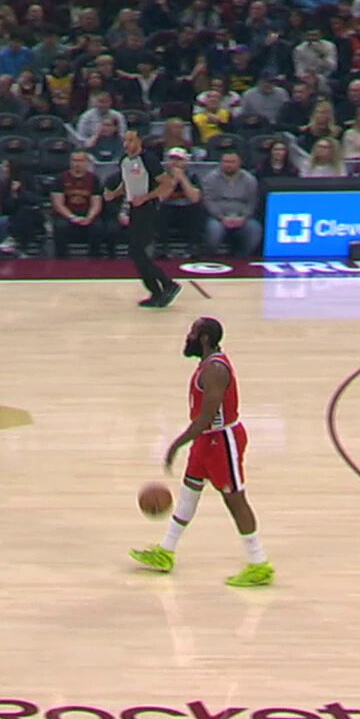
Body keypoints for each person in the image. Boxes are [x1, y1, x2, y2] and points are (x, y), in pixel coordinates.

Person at [131, 316, 272, 587]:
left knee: (235, 500)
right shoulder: (206, 365)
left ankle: (260, 563)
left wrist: (176, 444)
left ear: (205, 338)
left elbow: (206, 418)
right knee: (188, 493)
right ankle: (166, 552)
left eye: (193, 333)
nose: (188, 338)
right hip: (206, 441)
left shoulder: (215, 371)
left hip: (222, 441)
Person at [102, 131, 181, 308]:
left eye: (130, 140)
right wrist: (114, 193)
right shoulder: (124, 160)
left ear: (139, 141)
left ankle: (167, 284)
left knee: (137, 251)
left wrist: (145, 197)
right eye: (125, 141)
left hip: (148, 208)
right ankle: (157, 291)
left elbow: (167, 183)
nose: (126, 144)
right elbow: (127, 183)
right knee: (136, 253)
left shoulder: (148, 159)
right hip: (134, 208)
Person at [200, 152, 263, 257]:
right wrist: (221, 217)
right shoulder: (210, 178)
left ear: (239, 163)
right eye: (226, 162)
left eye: (232, 162)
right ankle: (211, 258)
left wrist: (243, 217)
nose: (229, 165)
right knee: (214, 231)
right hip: (217, 217)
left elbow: (252, 202)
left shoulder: (250, 179)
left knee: (255, 230)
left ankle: (240, 258)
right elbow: (208, 200)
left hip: (242, 217)